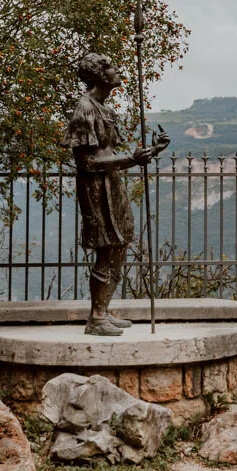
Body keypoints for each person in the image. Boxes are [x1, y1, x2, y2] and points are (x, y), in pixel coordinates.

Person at [63, 52, 168, 336]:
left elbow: (111, 153)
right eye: (109, 66)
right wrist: (132, 160)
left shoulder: (104, 109)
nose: (116, 69)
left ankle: (104, 310)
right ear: (98, 75)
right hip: (96, 188)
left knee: (120, 245)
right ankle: (96, 319)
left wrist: (151, 151)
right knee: (106, 247)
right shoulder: (84, 109)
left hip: (113, 184)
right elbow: (87, 161)